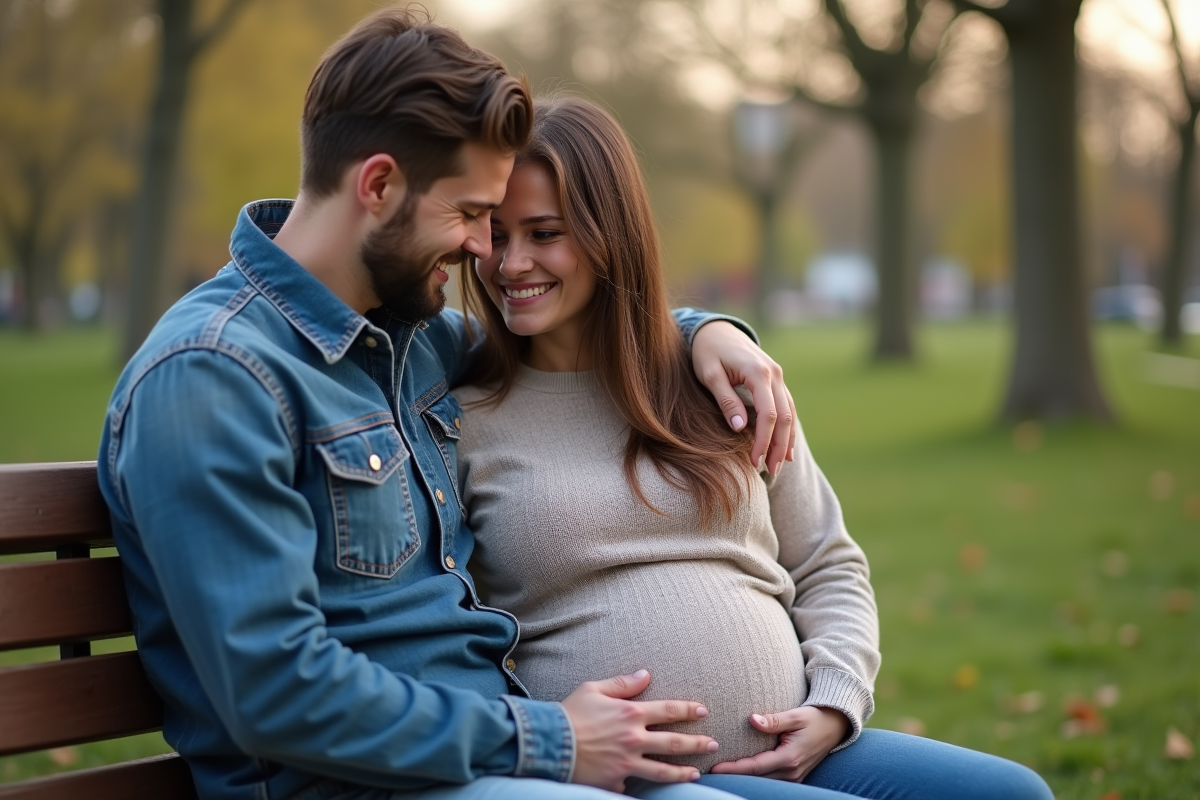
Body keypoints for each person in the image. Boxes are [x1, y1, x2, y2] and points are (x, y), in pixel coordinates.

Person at [97, 10, 799, 800]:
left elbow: (587, 321)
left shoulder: (412, 336)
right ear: (379, 185)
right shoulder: (212, 376)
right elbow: (274, 690)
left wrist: (706, 333)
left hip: (488, 765)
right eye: (469, 214)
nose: (482, 251)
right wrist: (548, 739)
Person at [454, 95, 1056, 800]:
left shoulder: (721, 381)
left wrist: (835, 705)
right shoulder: (462, 418)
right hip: (637, 777)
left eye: (544, 233)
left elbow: (827, 561)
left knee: (1014, 793)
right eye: (496, 233)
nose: (512, 262)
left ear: (608, 233)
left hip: (803, 749)